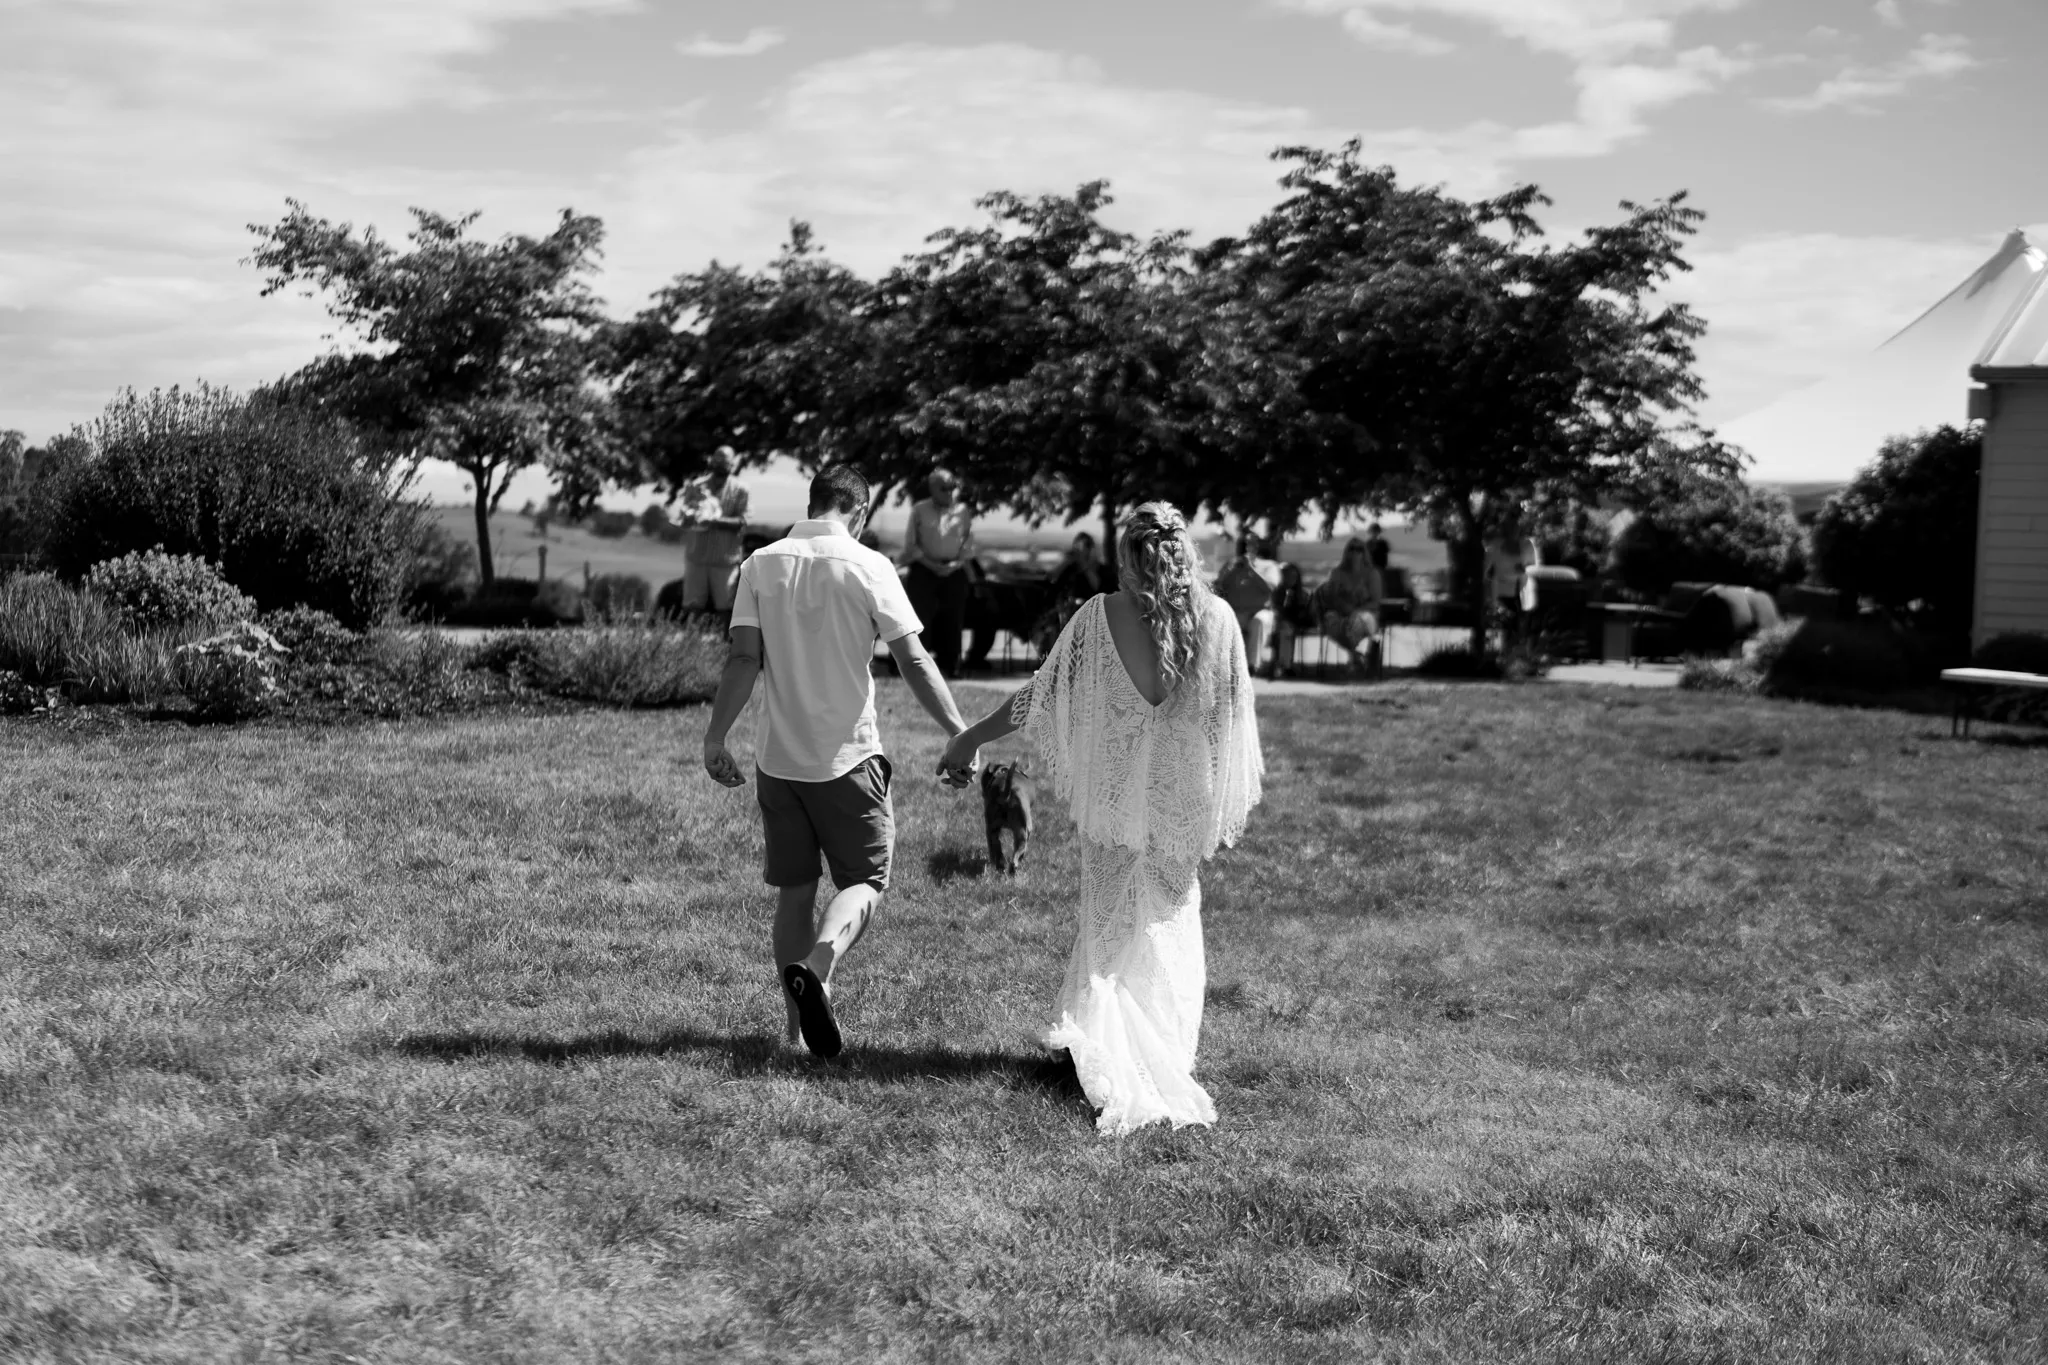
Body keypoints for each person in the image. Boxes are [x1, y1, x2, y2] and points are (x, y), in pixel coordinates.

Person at [940, 503, 1264, 1135]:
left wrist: (965, 740)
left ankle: (1097, 1048)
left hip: (1117, 799)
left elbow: (1039, 694)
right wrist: (1211, 798)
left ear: (1126, 556)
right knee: (1169, 922)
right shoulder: (1220, 620)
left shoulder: (1097, 617)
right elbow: (1232, 721)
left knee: (1108, 921)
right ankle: (1155, 1052)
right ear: (1185, 553)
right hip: (1178, 799)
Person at [701, 466, 976, 1059]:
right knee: (864, 881)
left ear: (813, 501)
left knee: (795, 893)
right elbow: (915, 660)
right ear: (861, 510)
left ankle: (797, 1035)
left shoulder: (759, 563)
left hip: (779, 762)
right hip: (848, 759)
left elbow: (742, 661)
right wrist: (960, 733)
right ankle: (820, 970)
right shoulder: (869, 565)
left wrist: (715, 737)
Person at [901, 467, 975, 677]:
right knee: (920, 618)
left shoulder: (963, 511)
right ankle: (919, 667)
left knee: (953, 618)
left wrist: (955, 564)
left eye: (952, 487)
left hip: (954, 569)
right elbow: (910, 545)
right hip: (924, 568)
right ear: (932, 488)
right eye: (944, 488)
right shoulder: (919, 509)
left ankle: (951, 665)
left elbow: (968, 543)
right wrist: (930, 564)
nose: (949, 492)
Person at [677, 448, 751, 617]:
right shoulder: (696, 486)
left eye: (725, 461)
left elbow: (742, 522)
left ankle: (727, 643)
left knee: (727, 608)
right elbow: (685, 515)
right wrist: (688, 517)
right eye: (717, 460)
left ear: (733, 463)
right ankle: (692, 642)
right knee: (692, 606)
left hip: (725, 559)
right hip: (696, 556)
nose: (721, 464)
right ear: (712, 462)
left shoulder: (741, 489)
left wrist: (713, 521)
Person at [1213, 531, 1278, 676]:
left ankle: (1251, 667)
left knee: (1258, 621)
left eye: (1250, 545)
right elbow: (1218, 588)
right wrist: (1230, 571)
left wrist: (1252, 570)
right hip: (1236, 611)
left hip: (1261, 611)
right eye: (1243, 545)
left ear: (1256, 547)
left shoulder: (1269, 566)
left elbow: (1270, 588)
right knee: (1222, 621)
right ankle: (1221, 668)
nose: (1246, 549)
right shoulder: (1231, 566)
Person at [1320, 537, 1384, 676]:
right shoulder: (1337, 573)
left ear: (1364, 553)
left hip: (1367, 615)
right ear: (1346, 552)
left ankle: (1354, 661)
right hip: (1341, 614)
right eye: (1352, 549)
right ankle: (1357, 657)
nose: (1355, 553)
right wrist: (1342, 605)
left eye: (1359, 549)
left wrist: (1356, 610)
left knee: (1354, 622)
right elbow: (1331, 597)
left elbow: (1375, 602)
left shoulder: (1372, 574)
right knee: (1329, 620)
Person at [1270, 561, 1317, 677]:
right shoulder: (1275, 593)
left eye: (1293, 576)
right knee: (1283, 630)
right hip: (1277, 624)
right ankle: (1284, 666)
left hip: (1298, 624)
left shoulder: (1304, 594)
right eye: (1286, 576)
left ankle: (1283, 666)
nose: (1289, 579)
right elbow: (1274, 610)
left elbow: (1310, 615)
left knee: (1285, 630)